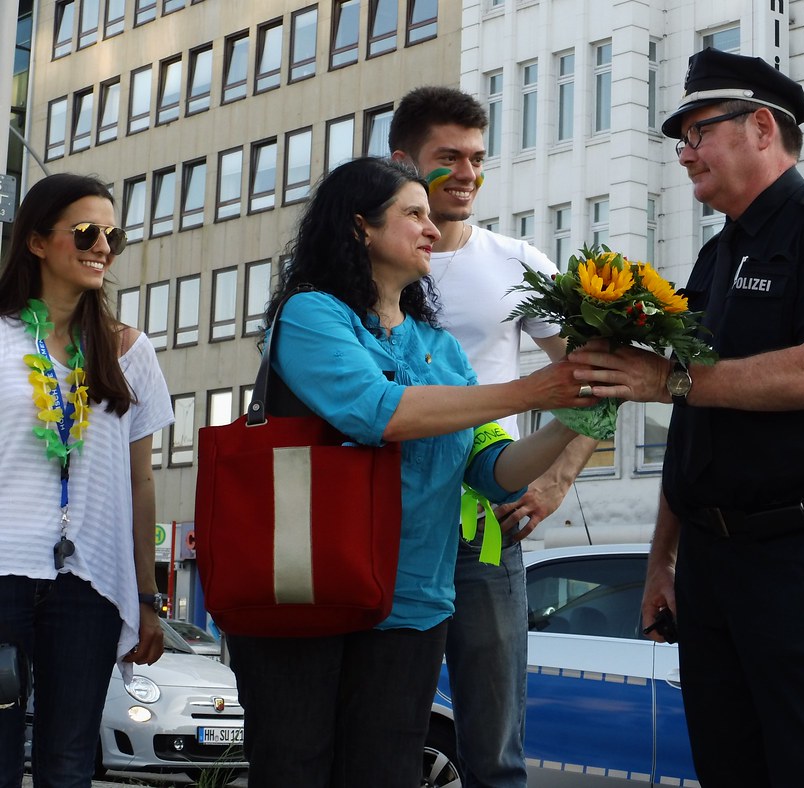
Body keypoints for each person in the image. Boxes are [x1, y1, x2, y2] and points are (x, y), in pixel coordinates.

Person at [568, 48, 804, 786]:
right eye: (679, 140)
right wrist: (662, 559)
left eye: (696, 132)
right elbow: (692, 424)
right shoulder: (714, 261)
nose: (684, 154)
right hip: (712, 563)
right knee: (727, 767)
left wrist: (668, 376)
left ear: (758, 127)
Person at [224, 157, 596, 788]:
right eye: (413, 214)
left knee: (387, 773)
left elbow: (495, 470)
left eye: (430, 215)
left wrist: (580, 412)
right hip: (308, 587)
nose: (432, 228)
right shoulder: (310, 314)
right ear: (360, 227)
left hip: (415, 600)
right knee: (295, 768)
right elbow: (377, 412)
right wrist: (533, 389)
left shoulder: (439, 344)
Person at [390, 85, 598, 787]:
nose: (469, 173)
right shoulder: (365, 271)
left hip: (486, 524)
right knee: (380, 738)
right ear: (403, 162)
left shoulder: (517, 262)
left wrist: (554, 482)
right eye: (448, 158)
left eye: (477, 157)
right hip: (379, 524)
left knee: (495, 753)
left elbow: (599, 378)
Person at [0, 173, 173, 787]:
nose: (102, 245)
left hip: (90, 582)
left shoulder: (127, 351)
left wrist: (149, 600)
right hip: (4, 571)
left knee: (69, 760)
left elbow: (140, 480)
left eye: (112, 234)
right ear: (38, 242)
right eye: (85, 231)